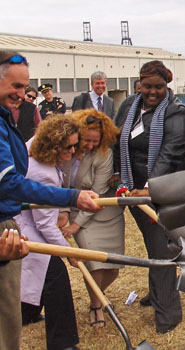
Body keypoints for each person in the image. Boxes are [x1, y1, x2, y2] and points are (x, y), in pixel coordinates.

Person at [0, 50, 100, 350]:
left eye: (24, 87)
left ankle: (40, 322)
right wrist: (72, 199)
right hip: (14, 229)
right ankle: (64, 342)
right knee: (38, 291)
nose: (22, 94)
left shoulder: (8, 121)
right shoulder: (42, 170)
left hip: (15, 223)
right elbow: (9, 182)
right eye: (15, 87)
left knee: (17, 298)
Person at [113, 60, 185, 333]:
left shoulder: (177, 114)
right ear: (139, 84)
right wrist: (117, 173)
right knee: (153, 244)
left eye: (159, 86)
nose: (152, 92)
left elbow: (169, 155)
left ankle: (168, 314)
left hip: (166, 193)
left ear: (167, 85)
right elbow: (117, 138)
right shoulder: (129, 106)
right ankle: (157, 293)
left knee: (162, 251)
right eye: (147, 86)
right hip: (135, 192)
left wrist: (151, 188)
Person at [15, 114, 84, 350]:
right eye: (69, 146)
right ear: (53, 145)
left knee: (40, 277)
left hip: (28, 226)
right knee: (56, 277)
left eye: (76, 145)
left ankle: (28, 314)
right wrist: (69, 252)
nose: (73, 151)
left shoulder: (37, 148)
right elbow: (45, 225)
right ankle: (63, 343)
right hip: (25, 230)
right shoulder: (41, 172)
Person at [60, 108, 123, 328]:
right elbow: (62, 184)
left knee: (113, 268)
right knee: (94, 265)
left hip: (104, 211)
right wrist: (66, 214)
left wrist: (76, 225)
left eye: (96, 141)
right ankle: (96, 306)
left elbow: (95, 195)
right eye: (87, 140)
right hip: (78, 209)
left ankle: (99, 297)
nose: (91, 145)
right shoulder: (67, 150)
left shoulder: (104, 154)